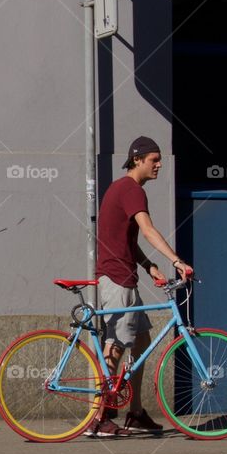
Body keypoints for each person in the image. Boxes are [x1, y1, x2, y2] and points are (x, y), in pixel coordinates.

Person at [85, 136, 194, 437]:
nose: (159, 164)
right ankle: (99, 416)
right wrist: (176, 260)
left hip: (124, 276)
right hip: (117, 279)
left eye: (159, 159)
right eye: (154, 160)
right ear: (137, 160)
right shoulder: (131, 190)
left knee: (142, 342)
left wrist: (149, 267)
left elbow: (127, 241)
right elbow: (147, 230)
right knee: (116, 345)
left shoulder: (125, 189)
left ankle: (134, 413)